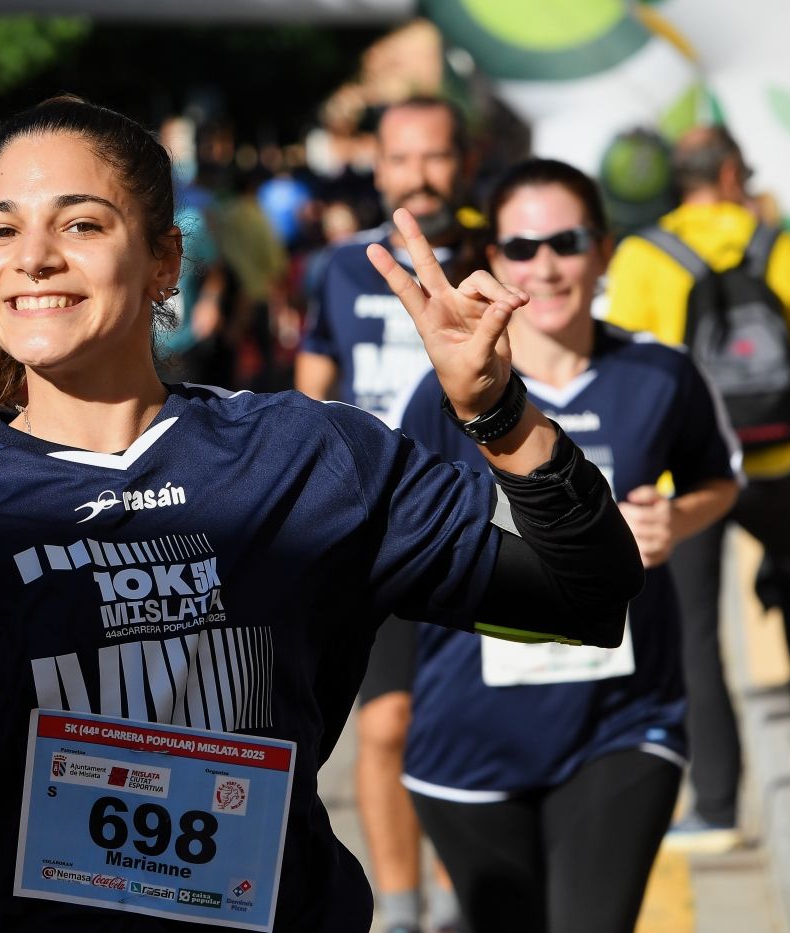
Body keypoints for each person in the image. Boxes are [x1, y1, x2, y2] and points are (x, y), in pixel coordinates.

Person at [0, 96, 644, 932]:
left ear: (163, 261)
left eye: (82, 224)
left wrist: (499, 413)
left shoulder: (309, 456)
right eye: (1, 229)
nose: (33, 258)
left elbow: (586, 594)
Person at [395, 158, 739, 933]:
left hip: (623, 716)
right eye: (521, 247)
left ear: (605, 249)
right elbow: (391, 541)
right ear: (496, 259)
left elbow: (720, 481)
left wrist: (674, 521)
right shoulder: (443, 391)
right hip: (470, 736)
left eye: (567, 241)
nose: (544, 267)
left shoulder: (661, 372)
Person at [606, 125, 790, 848]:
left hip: (684, 475)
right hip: (778, 457)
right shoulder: (775, 243)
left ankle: (718, 804)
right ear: (730, 171)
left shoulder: (643, 255)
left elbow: (625, 363)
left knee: (696, 631)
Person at [294, 95, 471, 933]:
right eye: (402, 160)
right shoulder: (339, 266)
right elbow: (309, 389)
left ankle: (455, 898)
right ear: (377, 167)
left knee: (462, 717)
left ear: (461, 163)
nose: (419, 177)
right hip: (372, 530)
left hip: (472, 522)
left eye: (434, 158)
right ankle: (399, 912)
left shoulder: (497, 258)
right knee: (388, 720)